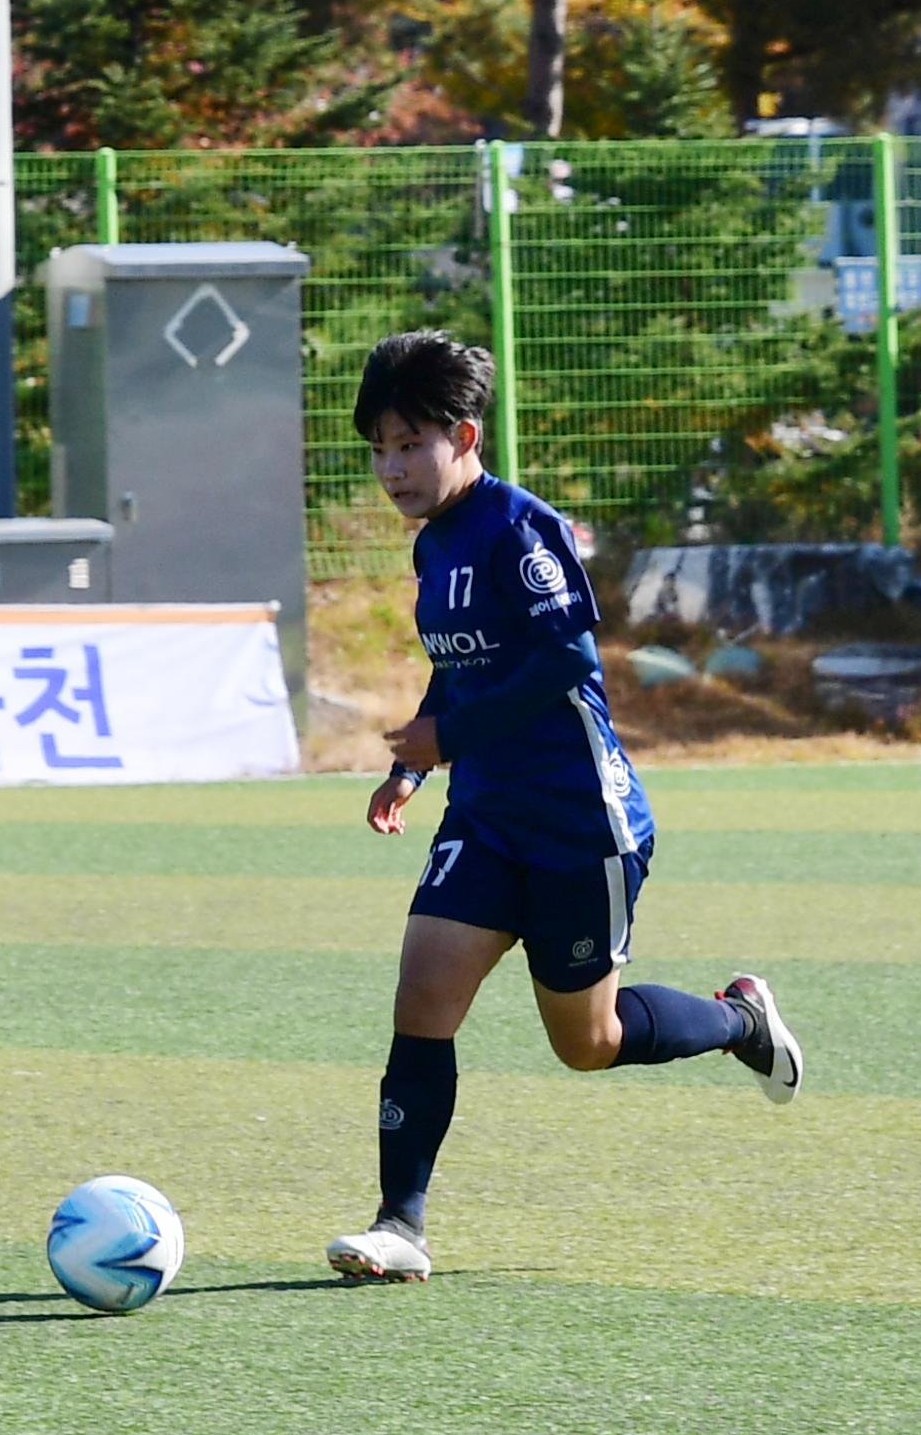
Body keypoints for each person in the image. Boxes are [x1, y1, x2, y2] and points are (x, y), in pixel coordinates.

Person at [327, 330, 799, 1285]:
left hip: (584, 824)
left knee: (589, 1044)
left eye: (409, 443)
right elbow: (459, 664)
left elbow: (566, 663)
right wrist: (417, 770)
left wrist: (447, 741)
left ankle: (741, 1020)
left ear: (464, 435)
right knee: (422, 999)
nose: (391, 467)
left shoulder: (517, 526)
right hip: (487, 819)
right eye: (378, 447)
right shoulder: (435, 545)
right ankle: (400, 1227)